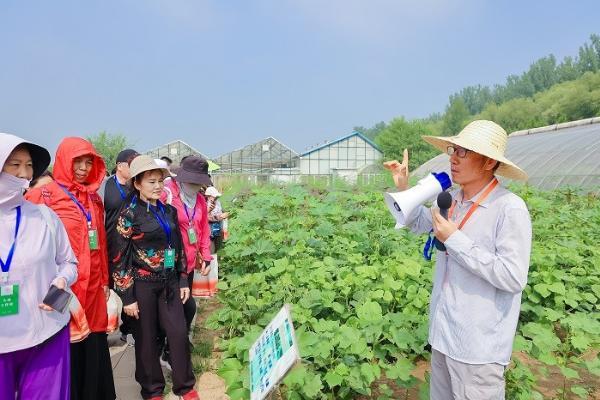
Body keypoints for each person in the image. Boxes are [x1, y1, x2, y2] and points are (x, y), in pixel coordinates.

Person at [385, 120, 532, 399]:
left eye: (464, 152)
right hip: (443, 336)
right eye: (454, 149)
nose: (453, 157)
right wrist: (404, 187)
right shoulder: (451, 199)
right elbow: (418, 222)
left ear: (489, 162)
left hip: (477, 349)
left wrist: (455, 239)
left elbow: (512, 276)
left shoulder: (509, 208)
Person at [26, 137, 116, 400]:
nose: (84, 168)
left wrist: (105, 281)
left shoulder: (93, 200)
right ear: (64, 160)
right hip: (64, 287)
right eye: (78, 161)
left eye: (90, 162)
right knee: (64, 343)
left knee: (93, 345)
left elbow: (99, 242)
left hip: (93, 289)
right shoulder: (43, 196)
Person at [111, 155, 199, 400]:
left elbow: (178, 246)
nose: (158, 186)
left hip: (170, 283)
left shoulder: (169, 211)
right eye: (151, 181)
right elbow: (119, 257)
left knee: (179, 333)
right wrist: (127, 296)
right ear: (137, 183)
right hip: (143, 285)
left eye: (160, 181)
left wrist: (182, 278)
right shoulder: (128, 215)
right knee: (147, 340)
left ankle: (185, 386)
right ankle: (152, 391)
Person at [0, 133, 78, 400]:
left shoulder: (44, 215)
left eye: (29, 165)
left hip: (47, 332)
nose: (23, 173)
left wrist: (62, 281)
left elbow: (69, 262)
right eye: (14, 164)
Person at [159, 156, 213, 366]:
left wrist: (205, 256)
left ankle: (173, 346)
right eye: (192, 182)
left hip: (188, 265)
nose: (195, 186)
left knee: (184, 308)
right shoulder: (167, 194)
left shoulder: (199, 200)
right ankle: (172, 347)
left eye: (199, 182)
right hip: (168, 264)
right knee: (183, 307)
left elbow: (204, 230)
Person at [102, 148, 139, 342]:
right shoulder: (105, 187)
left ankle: (129, 329)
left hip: (131, 247)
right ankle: (106, 327)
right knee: (108, 287)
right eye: (131, 164)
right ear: (120, 166)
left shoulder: (136, 187)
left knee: (129, 285)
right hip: (109, 246)